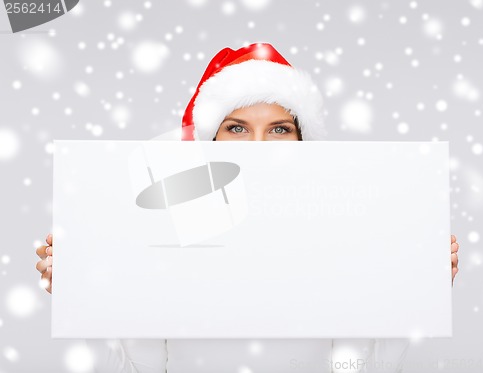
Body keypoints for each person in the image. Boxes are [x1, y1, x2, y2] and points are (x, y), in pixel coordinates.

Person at [36, 43, 460, 373]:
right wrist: (83, 299)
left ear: (301, 143)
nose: (258, 146)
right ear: (212, 141)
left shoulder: (337, 243)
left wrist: (412, 288)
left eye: (279, 128)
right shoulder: (166, 240)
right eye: (237, 128)